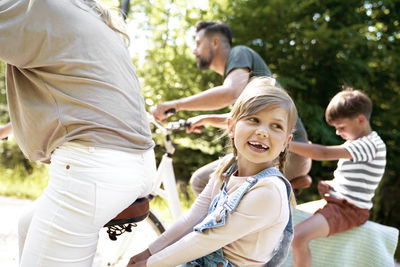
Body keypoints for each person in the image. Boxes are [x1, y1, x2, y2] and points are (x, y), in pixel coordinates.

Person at [0, 0, 157, 266]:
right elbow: (80, 97)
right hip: (138, 162)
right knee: (29, 225)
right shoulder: (90, 14)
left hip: (96, 169)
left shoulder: (35, 6)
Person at [127, 77, 297, 267]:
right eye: (253, 119)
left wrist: (150, 263)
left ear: (286, 142)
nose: (263, 132)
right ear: (231, 127)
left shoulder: (269, 191)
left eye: (276, 126)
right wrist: (149, 252)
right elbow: (194, 217)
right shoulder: (227, 167)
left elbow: (206, 239)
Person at [152, 20, 312, 194]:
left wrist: (174, 105)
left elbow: (231, 92)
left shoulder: (239, 52)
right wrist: (206, 119)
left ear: (215, 42)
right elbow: (248, 120)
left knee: (201, 181)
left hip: (287, 153)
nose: (194, 50)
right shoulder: (241, 76)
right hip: (291, 153)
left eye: (198, 43)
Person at [288, 88, 386, 267]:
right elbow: (360, 179)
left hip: (349, 209)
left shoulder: (370, 144)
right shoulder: (357, 142)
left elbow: (323, 153)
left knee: (298, 237)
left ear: (360, 119)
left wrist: (285, 143)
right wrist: (333, 186)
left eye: (341, 127)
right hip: (338, 202)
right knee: (292, 214)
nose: (338, 133)